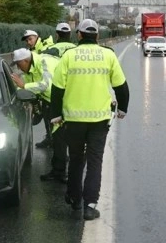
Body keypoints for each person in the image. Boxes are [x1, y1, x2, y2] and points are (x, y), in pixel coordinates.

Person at [50, 19, 130, 221]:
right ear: (97, 36)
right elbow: (121, 87)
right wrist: (122, 109)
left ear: (79, 35)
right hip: (99, 120)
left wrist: (56, 115)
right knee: (95, 162)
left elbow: (57, 88)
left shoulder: (69, 56)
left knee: (76, 159)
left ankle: (74, 199)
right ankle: (90, 206)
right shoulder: (108, 55)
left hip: (73, 120)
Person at [10, 48, 60, 150]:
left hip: (61, 98)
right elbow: (29, 88)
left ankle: (63, 153)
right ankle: (50, 139)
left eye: (18, 64)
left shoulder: (44, 62)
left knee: (60, 129)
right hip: (48, 98)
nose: (18, 68)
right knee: (48, 120)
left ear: (25, 61)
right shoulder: (29, 70)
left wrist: (24, 86)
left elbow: (46, 85)